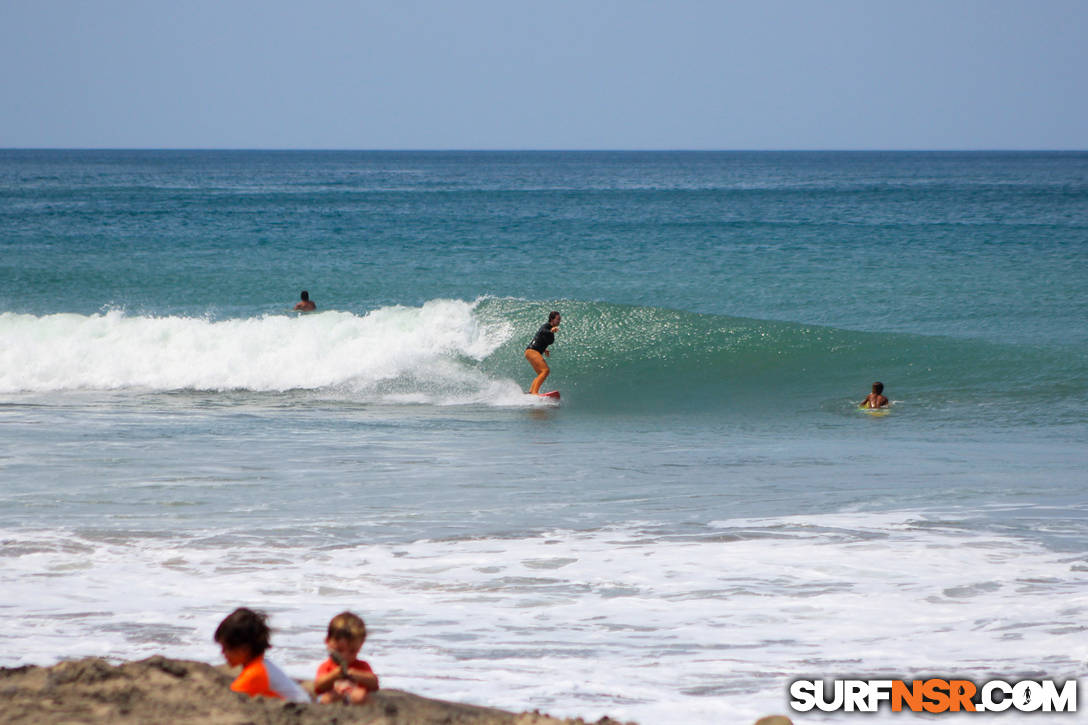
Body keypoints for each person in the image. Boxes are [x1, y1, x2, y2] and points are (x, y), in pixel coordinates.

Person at [214, 607, 310, 703]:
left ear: (244, 649)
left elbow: (232, 698)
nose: (222, 653)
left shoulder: (254, 674)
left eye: (225, 648)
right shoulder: (262, 665)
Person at [313, 611, 380, 705]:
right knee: (326, 698)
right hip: (334, 696)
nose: (345, 656)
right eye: (339, 650)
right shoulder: (327, 666)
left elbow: (374, 684)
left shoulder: (361, 665)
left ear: (360, 646)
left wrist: (355, 674)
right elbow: (318, 686)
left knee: (360, 696)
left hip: (353, 694)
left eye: (352, 651)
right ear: (327, 641)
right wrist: (334, 675)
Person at [524, 311, 561, 395]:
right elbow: (542, 331)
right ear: (552, 319)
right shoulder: (547, 326)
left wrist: (544, 349)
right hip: (532, 351)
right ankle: (534, 392)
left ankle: (530, 392)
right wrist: (551, 331)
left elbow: (539, 338)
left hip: (531, 352)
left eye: (560, 319)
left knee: (541, 373)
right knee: (545, 371)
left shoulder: (550, 329)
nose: (559, 321)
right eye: (558, 319)